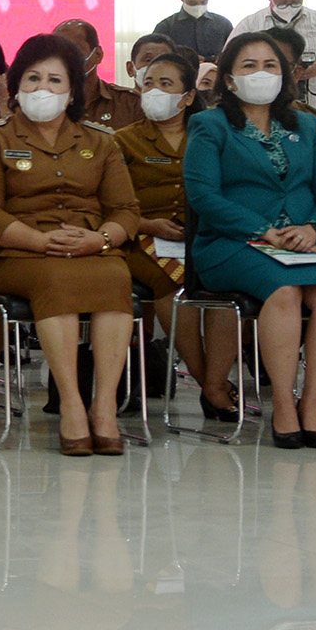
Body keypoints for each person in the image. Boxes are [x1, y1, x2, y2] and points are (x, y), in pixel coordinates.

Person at [0, 32, 140, 456]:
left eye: (55, 80)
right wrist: (40, 241)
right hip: (12, 252)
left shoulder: (100, 141)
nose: (43, 88)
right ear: (16, 85)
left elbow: (126, 211)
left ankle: (104, 407)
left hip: (89, 248)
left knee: (117, 276)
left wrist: (99, 239)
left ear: (72, 91)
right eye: (33, 78)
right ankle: (72, 405)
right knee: (56, 277)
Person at [183, 33, 316, 446]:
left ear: (284, 76)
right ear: (228, 79)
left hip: (302, 242)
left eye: (270, 65)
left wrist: (313, 227)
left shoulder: (307, 125)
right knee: (284, 291)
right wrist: (263, 230)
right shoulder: (209, 124)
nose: (261, 73)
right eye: (249, 66)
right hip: (232, 243)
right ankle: (282, 404)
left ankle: (311, 403)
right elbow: (203, 196)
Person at [114, 49, 238, 418]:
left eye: (165, 84)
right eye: (149, 83)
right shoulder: (122, 140)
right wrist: (147, 225)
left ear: (187, 97)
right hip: (140, 236)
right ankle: (210, 385)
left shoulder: (210, 133)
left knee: (225, 283)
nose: (153, 90)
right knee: (171, 281)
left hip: (201, 236)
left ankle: (215, 381)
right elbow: (108, 201)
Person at [229, 0, 316, 110]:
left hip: (315, 107)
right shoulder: (250, 25)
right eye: (282, 3)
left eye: (296, 2)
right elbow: (227, 64)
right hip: (261, 108)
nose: (289, 7)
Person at [55, 17, 143, 131]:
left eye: (75, 50)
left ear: (98, 54)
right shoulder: (46, 103)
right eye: (59, 51)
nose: (67, 57)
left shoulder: (129, 103)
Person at [153, 0, 231, 60]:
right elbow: (156, 61)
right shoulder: (165, 28)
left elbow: (234, 56)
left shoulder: (224, 25)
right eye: (192, 3)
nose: (199, 6)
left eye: (204, 2)